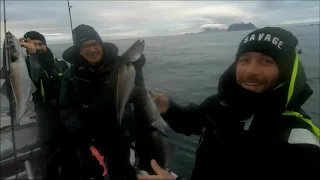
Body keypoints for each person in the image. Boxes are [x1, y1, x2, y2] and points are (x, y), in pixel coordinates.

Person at [139, 27, 320, 179]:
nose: (251, 71)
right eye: (244, 60)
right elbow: (195, 121)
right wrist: (168, 107)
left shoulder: (298, 143)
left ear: (286, 71)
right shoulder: (224, 104)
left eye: (267, 61)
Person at [59, 24, 144, 180]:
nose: (92, 50)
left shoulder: (121, 65)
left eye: (94, 44)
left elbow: (137, 95)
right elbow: (66, 109)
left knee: (122, 173)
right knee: (92, 174)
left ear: (101, 45)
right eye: (85, 46)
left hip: (118, 134)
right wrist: (83, 139)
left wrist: (138, 70)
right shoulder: (69, 75)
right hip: (88, 139)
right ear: (78, 50)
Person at [19, 31, 69, 180]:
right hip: (46, 116)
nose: (38, 47)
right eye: (33, 45)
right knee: (49, 156)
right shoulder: (27, 67)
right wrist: (30, 53)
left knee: (69, 154)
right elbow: (34, 77)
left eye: (40, 44)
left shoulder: (60, 64)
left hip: (66, 113)